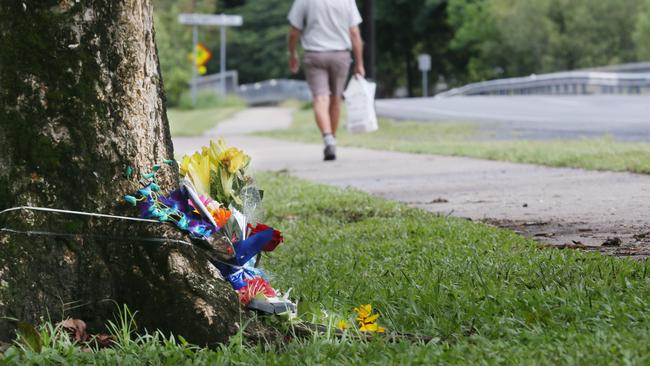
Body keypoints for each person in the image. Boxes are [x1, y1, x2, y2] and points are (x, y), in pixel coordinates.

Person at [287, 0, 365, 161]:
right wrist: (359, 63)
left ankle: (328, 139)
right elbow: (355, 33)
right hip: (340, 55)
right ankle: (332, 139)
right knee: (336, 99)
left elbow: (294, 31)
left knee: (320, 98)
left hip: (314, 55)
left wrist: (293, 54)